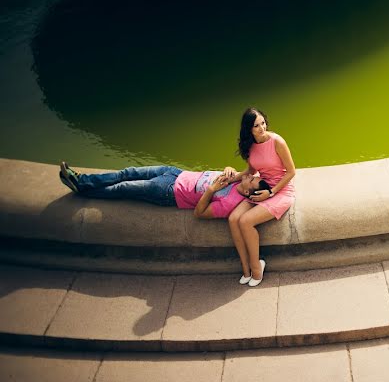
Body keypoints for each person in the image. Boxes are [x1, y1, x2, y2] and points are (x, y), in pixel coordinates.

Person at [58, 161, 270, 220]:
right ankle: (82, 180)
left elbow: (199, 214)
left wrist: (212, 190)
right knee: (127, 172)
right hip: (174, 172)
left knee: (123, 188)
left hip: (168, 192)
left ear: (249, 192)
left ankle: (82, 190)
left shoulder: (230, 204)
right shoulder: (238, 180)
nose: (250, 176)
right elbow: (244, 168)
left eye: (252, 180)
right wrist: (229, 169)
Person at [228, 107, 296, 287]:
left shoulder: (277, 141)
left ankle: (257, 267)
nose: (261, 128)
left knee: (245, 221)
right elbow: (251, 171)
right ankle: (245, 269)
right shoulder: (250, 145)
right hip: (262, 186)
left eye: (263, 123)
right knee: (233, 218)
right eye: (256, 125)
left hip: (280, 190)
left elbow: (291, 172)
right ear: (248, 129)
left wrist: (271, 192)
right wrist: (230, 178)